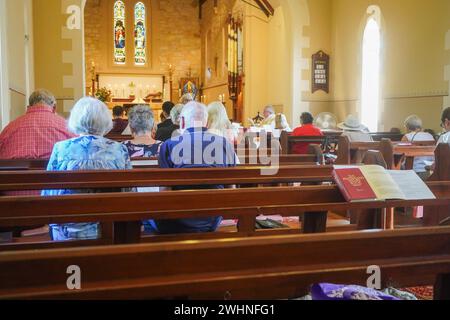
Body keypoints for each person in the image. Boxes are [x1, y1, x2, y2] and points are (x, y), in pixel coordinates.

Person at [42, 97, 132, 241]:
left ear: (76, 119)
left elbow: (48, 193)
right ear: (105, 120)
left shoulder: (61, 148)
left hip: (67, 230)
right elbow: (129, 193)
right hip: (109, 229)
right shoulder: (119, 149)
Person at [155, 101, 237, 234]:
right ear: (206, 122)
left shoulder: (169, 145)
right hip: (213, 219)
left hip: (177, 221)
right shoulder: (224, 144)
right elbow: (231, 189)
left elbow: (165, 192)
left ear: (181, 121)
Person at [0, 89, 75, 159]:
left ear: (28, 107)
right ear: (54, 107)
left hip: (15, 172)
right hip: (56, 172)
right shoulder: (68, 126)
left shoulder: (10, 128)